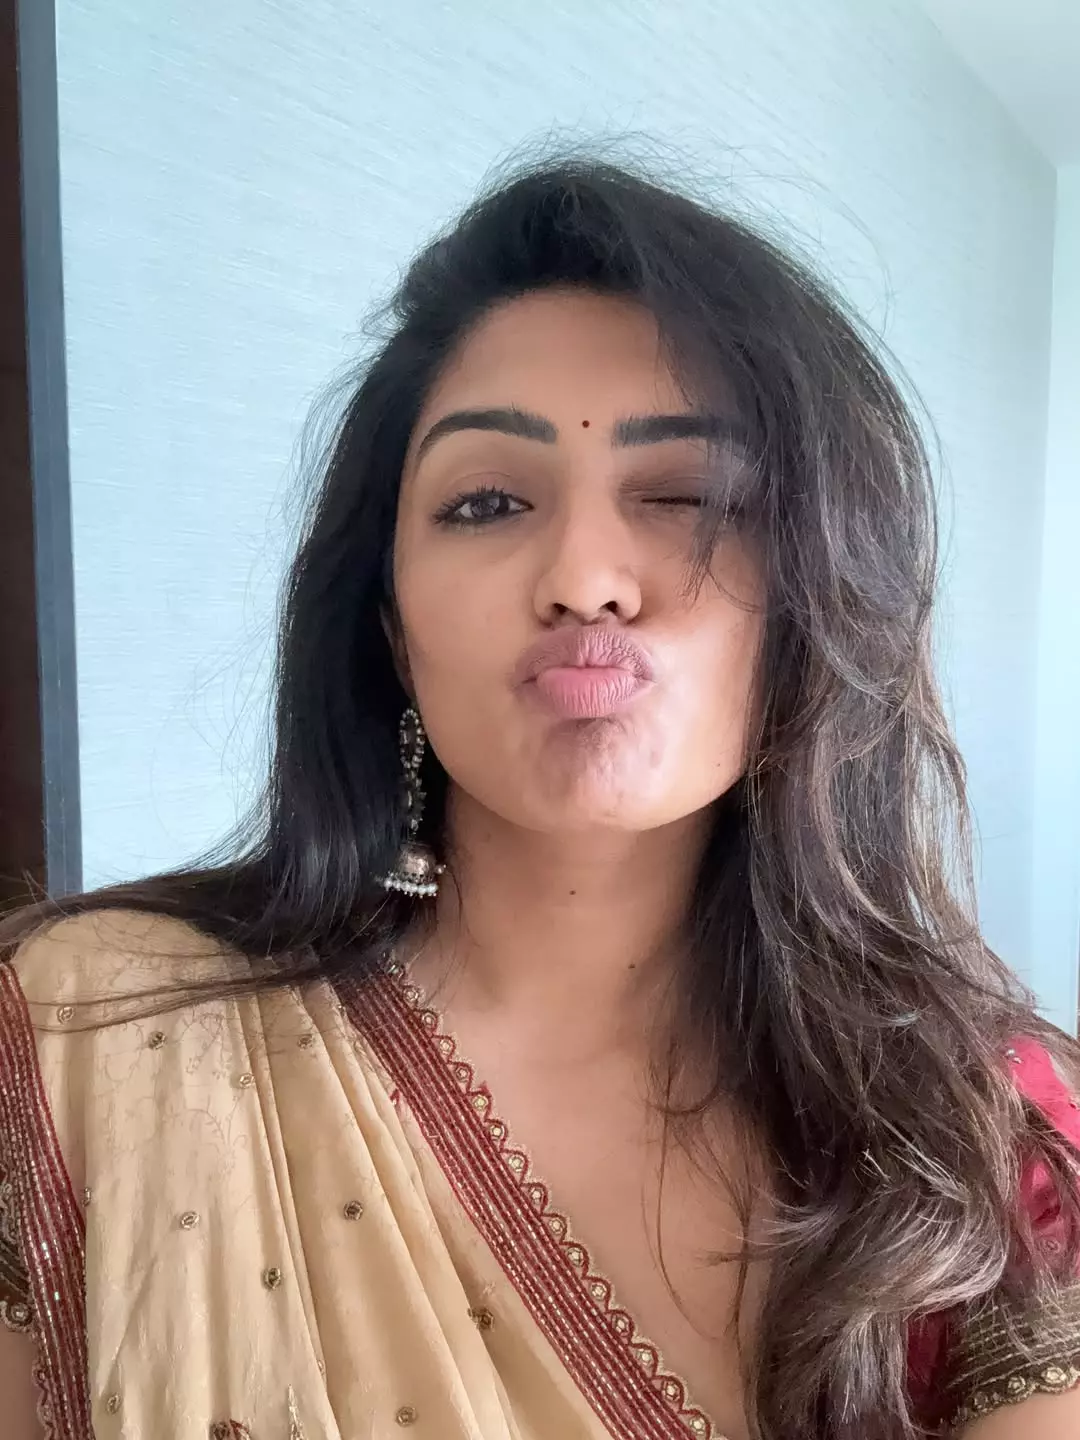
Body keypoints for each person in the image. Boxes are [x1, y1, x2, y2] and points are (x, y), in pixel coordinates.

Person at [1, 156, 1078, 1440]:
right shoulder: (82, 1034)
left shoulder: (978, 1135)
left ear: (819, 609)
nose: (584, 577)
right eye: (488, 501)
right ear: (391, 630)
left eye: (687, 498)